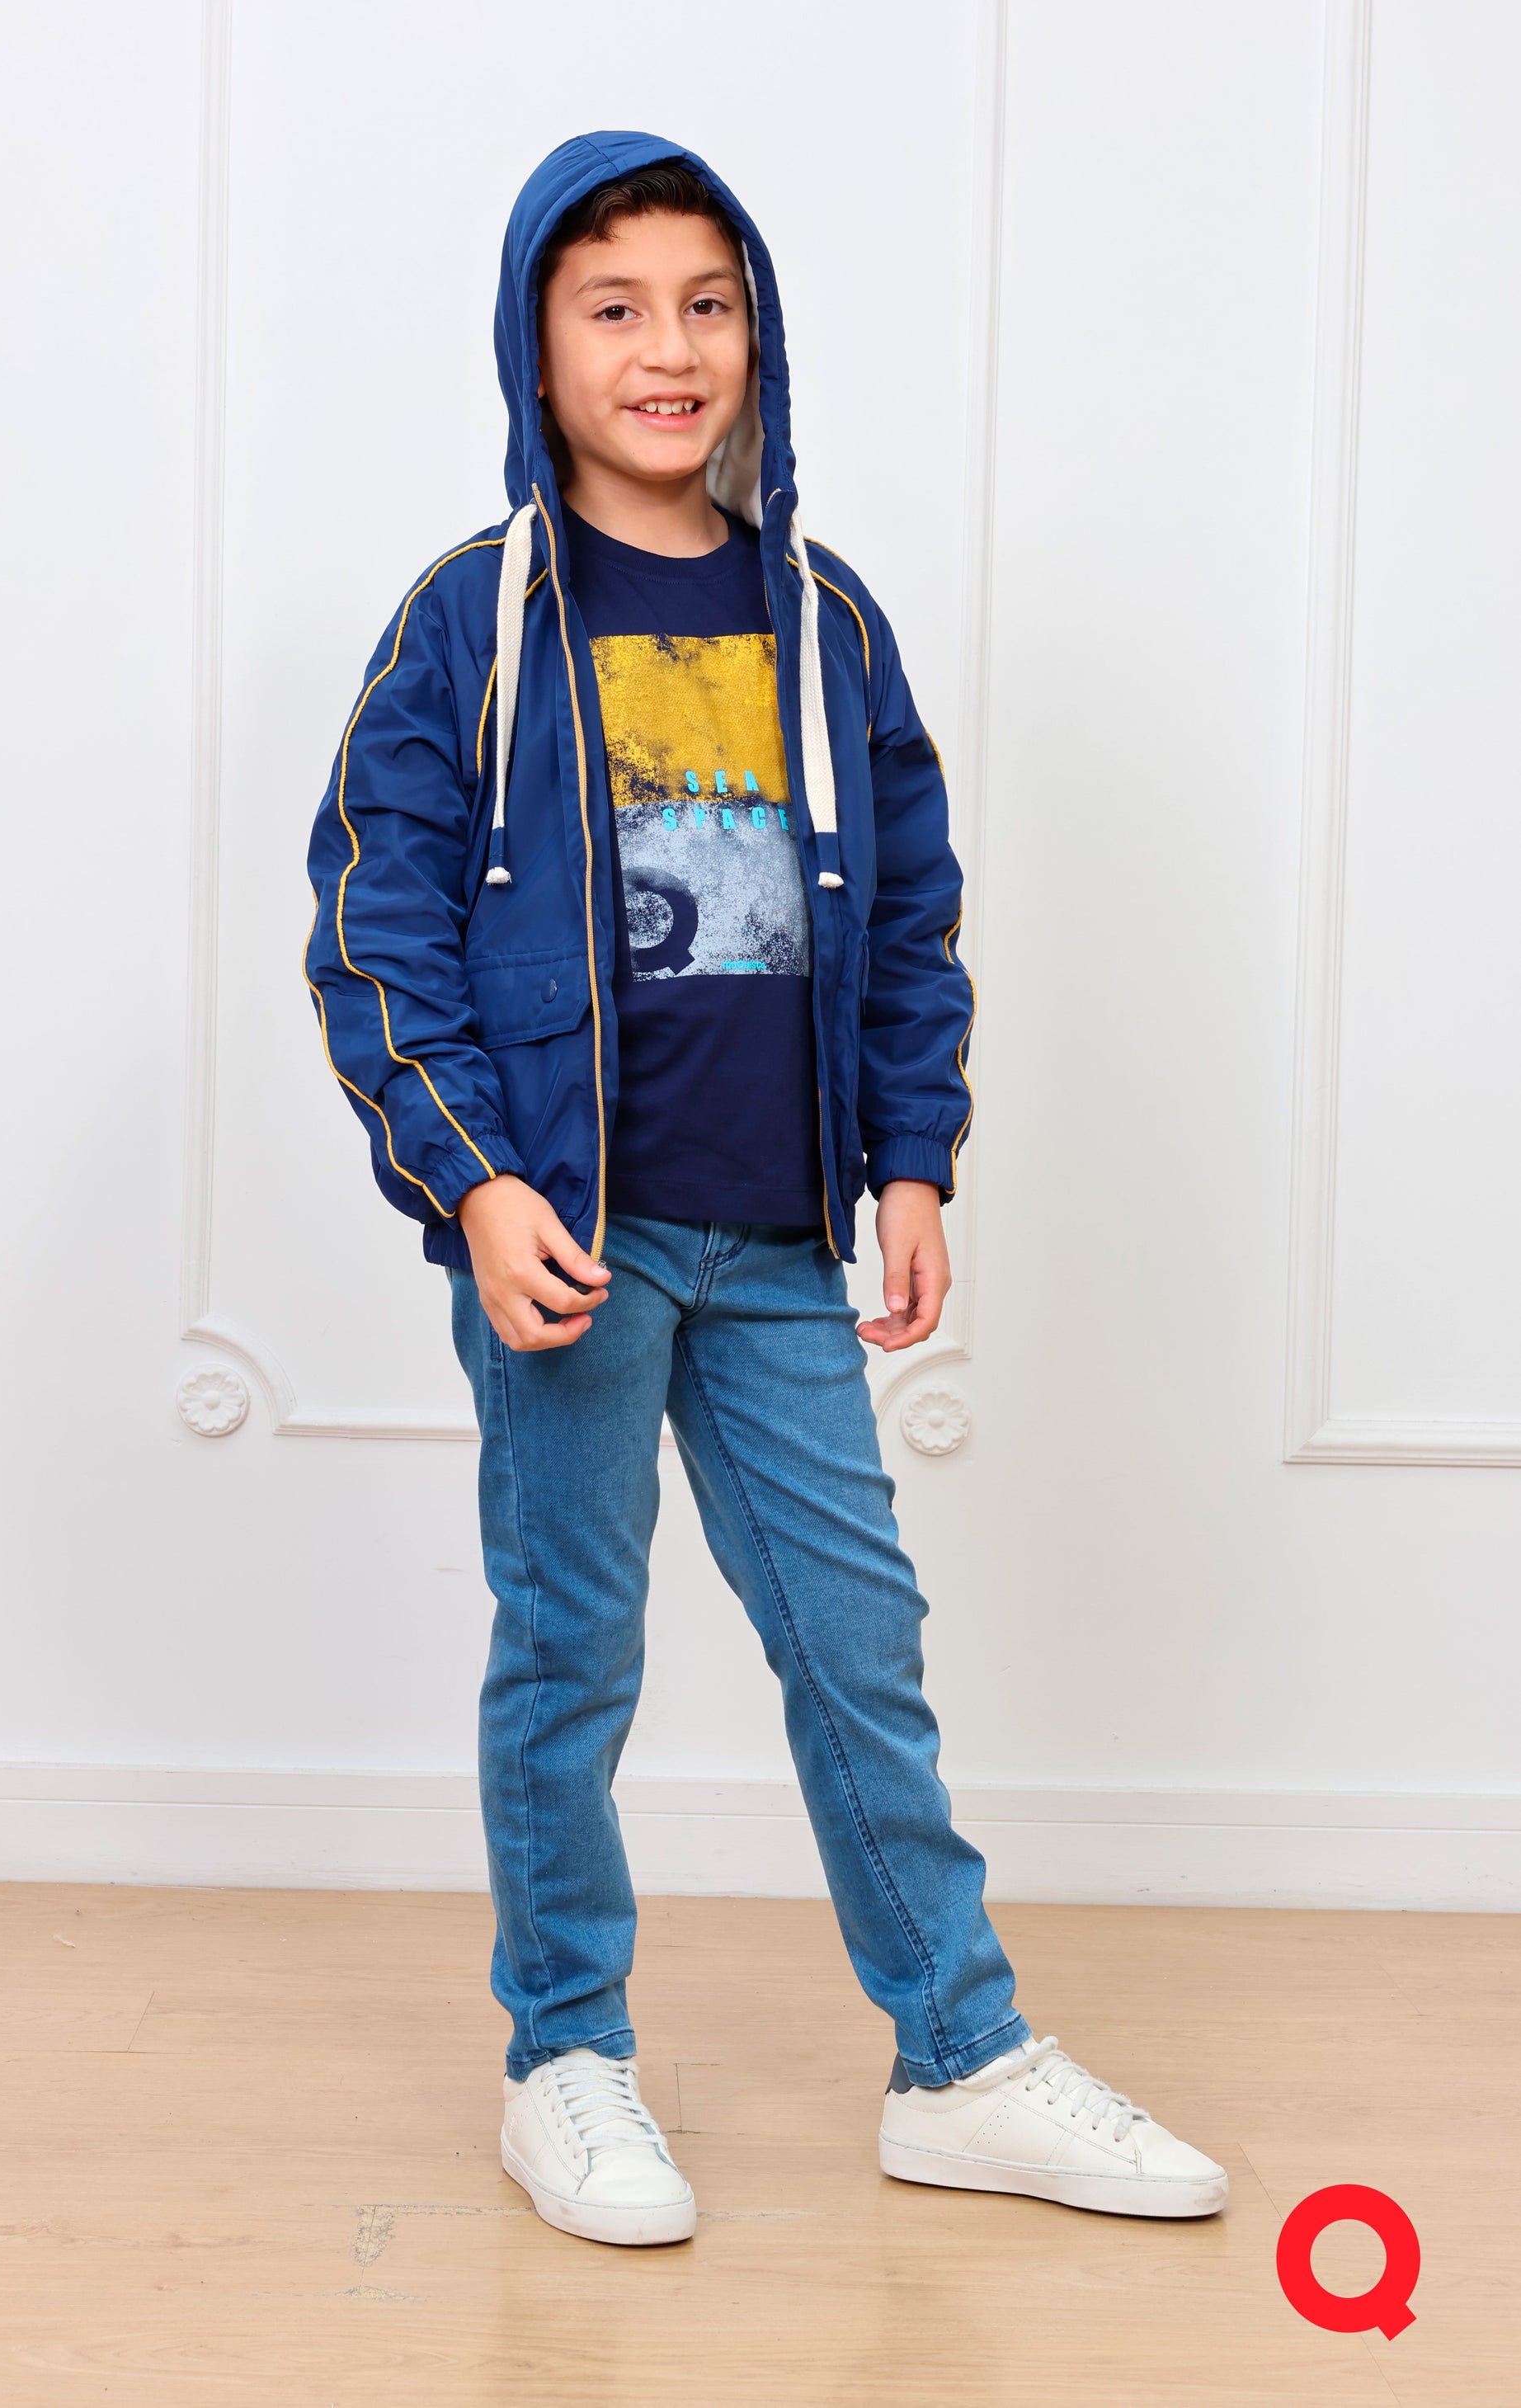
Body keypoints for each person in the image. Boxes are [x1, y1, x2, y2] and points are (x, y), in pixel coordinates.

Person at [304, 132, 1227, 2246]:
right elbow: (374, 924)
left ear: (758, 336)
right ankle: (565, 2054)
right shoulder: (476, 618)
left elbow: (908, 918)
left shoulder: (823, 620)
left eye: (705, 303)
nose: (668, 347)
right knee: (573, 1651)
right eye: (614, 306)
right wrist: (472, 1185)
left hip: (780, 1237)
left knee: (856, 1639)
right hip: (574, 1233)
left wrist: (912, 1156)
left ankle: (961, 2056)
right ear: (537, 346)